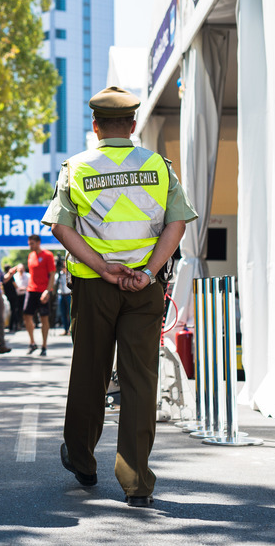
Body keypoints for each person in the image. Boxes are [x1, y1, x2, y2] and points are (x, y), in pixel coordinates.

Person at [43, 86, 197, 508]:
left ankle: (82, 459)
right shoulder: (159, 166)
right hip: (144, 290)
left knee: (90, 373)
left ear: (95, 127)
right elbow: (177, 224)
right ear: (132, 125)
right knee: (140, 380)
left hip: (96, 286)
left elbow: (61, 228)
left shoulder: (76, 168)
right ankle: (136, 482)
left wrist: (102, 267)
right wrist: (147, 272)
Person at [23, 234, 55, 356]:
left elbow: (52, 274)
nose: (30, 246)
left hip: (43, 291)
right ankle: (32, 343)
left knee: (44, 318)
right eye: (29, 243)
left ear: (38, 242)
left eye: (32, 243)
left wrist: (48, 291)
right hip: (31, 290)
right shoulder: (30, 256)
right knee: (26, 315)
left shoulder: (48, 255)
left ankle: (44, 346)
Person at [2, 263, 21, 332]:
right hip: (13, 296)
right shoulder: (10, 277)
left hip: (7, 296)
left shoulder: (3, 276)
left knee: (11, 311)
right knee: (14, 311)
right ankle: (14, 326)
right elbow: (16, 286)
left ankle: (12, 326)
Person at [56, 260, 72, 335]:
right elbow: (55, 284)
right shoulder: (59, 274)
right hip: (61, 295)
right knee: (63, 313)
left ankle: (70, 329)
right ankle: (65, 329)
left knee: (70, 313)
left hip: (69, 294)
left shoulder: (69, 274)